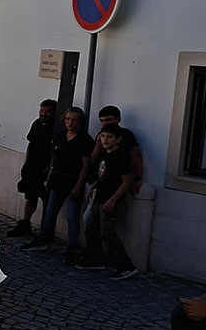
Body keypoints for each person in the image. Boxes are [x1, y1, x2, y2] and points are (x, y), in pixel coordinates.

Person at [22, 106, 94, 263]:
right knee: (50, 212)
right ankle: (44, 239)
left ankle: (72, 248)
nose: (70, 123)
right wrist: (49, 178)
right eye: (68, 119)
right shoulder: (61, 136)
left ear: (80, 122)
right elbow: (54, 159)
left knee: (72, 216)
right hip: (57, 180)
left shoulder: (85, 140)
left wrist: (78, 186)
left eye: (74, 120)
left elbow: (85, 166)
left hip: (73, 180)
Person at [77, 124, 137, 279]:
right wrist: (94, 186)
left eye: (109, 137)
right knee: (91, 225)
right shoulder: (105, 155)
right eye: (103, 136)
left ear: (118, 139)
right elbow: (104, 175)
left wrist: (113, 200)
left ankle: (125, 265)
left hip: (110, 199)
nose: (105, 140)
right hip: (99, 196)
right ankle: (95, 259)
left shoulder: (121, 156)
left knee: (107, 233)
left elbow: (126, 181)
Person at [9, 99, 57, 237]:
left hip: (47, 169)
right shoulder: (37, 124)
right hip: (32, 167)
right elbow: (31, 143)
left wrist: (50, 167)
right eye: (42, 110)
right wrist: (26, 162)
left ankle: (46, 230)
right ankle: (25, 224)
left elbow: (56, 151)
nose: (44, 114)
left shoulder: (56, 128)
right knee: (30, 197)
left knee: (47, 200)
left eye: (47, 111)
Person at [79, 105, 145, 197]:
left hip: (116, 183)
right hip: (97, 181)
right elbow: (92, 160)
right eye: (102, 121)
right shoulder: (101, 134)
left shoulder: (126, 135)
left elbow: (136, 157)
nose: (105, 123)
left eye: (108, 120)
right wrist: (98, 145)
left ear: (118, 119)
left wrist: (138, 179)